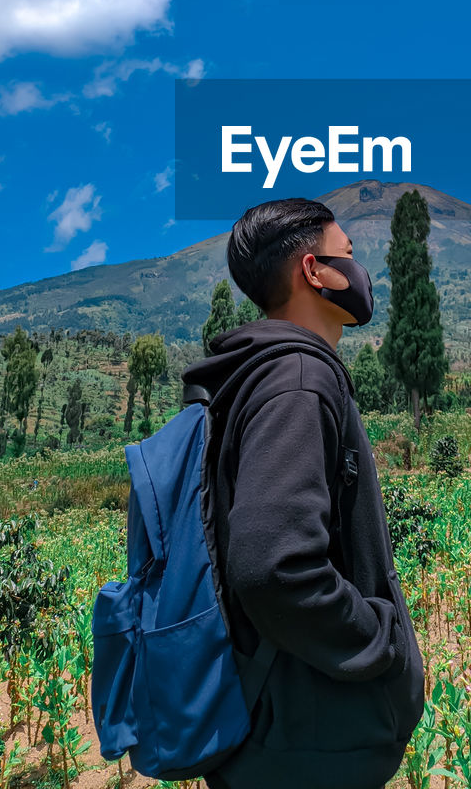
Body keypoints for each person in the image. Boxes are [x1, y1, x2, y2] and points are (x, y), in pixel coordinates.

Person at [182, 197, 425, 789]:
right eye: (348, 255)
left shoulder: (250, 377)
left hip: (275, 725)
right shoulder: (296, 380)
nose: (359, 272)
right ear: (313, 272)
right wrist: (380, 641)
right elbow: (274, 567)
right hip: (310, 739)